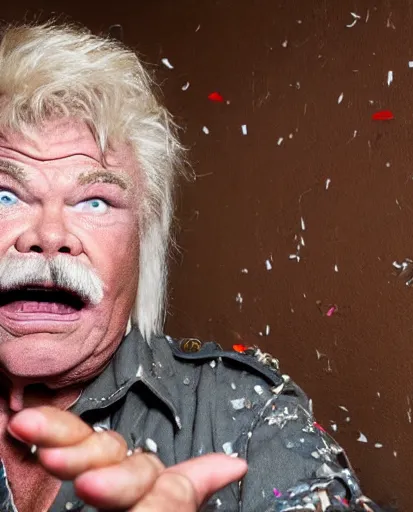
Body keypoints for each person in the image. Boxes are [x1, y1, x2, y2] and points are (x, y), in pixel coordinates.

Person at [0, 22, 382, 512]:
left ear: (144, 245)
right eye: (7, 195)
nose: (48, 236)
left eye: (95, 202)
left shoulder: (250, 419)